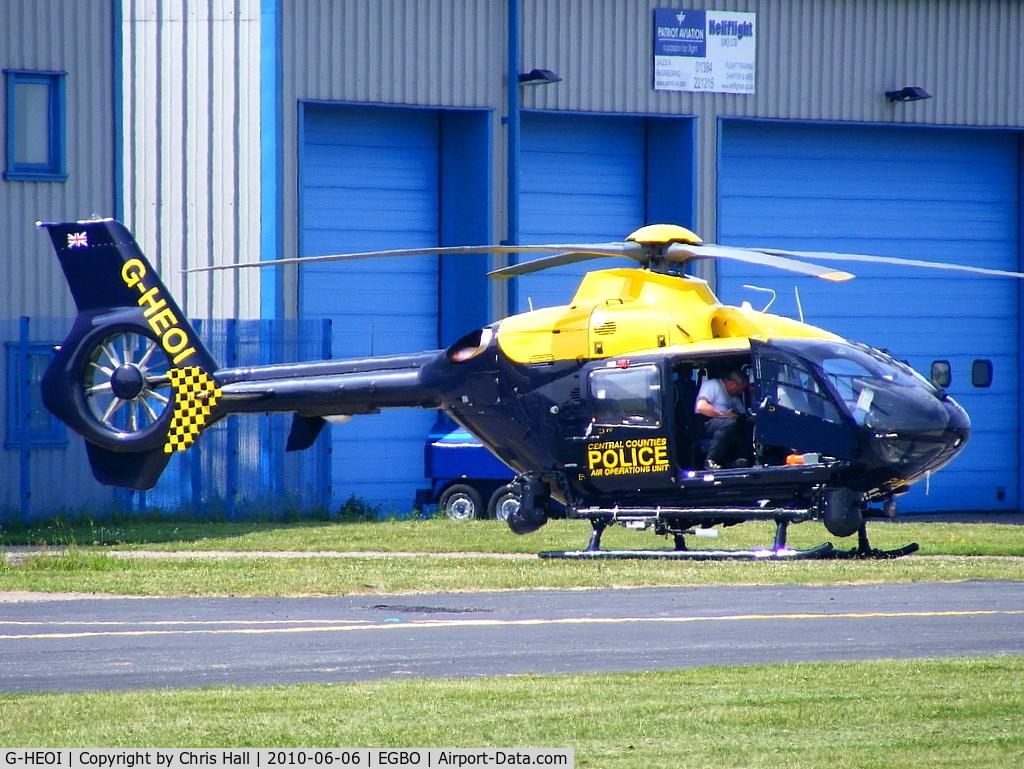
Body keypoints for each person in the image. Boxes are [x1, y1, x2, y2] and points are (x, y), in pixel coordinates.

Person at [694, 369, 752, 469]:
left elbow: (744, 414)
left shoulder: (733, 397)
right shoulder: (713, 385)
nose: (740, 392)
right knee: (729, 423)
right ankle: (711, 460)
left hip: (724, 422)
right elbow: (701, 407)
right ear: (732, 383)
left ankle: (739, 459)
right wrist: (724, 415)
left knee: (746, 424)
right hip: (705, 423)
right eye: (739, 390)